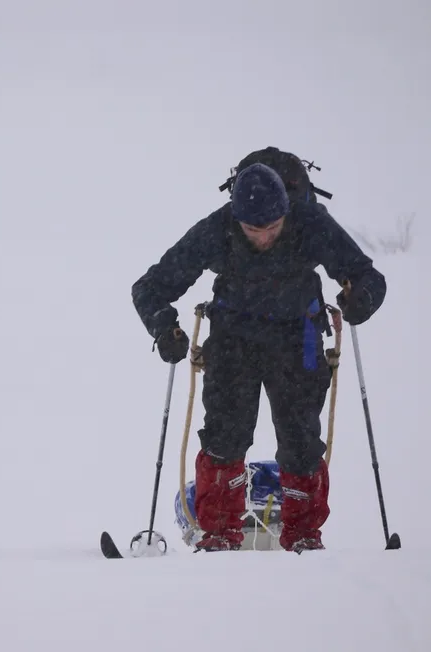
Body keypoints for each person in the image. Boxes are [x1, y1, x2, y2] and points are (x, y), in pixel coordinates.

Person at [131, 153, 386, 553]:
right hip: (234, 338)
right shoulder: (218, 229)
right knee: (223, 439)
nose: (264, 237)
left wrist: (362, 298)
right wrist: (165, 328)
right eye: (253, 229)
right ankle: (217, 537)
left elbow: (368, 275)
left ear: (287, 211)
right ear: (237, 219)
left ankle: (304, 538)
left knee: (301, 443)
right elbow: (149, 287)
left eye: (272, 227)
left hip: (297, 337)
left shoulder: (311, 223)